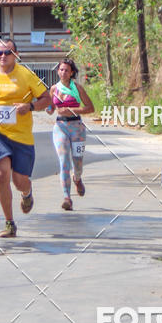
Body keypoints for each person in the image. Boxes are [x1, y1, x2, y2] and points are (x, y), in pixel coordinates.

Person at [0, 39, 51, 237]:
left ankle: (27, 193)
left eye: (7, 52)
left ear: (16, 54)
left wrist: (30, 107)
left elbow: (47, 98)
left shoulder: (26, 75)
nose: (2, 56)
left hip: (22, 137)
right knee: (2, 174)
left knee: (20, 181)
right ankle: (9, 223)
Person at [48, 58, 94, 211]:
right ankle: (67, 197)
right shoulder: (54, 89)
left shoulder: (77, 88)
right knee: (64, 162)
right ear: (58, 71)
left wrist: (72, 110)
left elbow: (90, 108)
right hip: (60, 126)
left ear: (72, 72)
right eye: (61, 69)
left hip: (77, 128)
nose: (63, 72)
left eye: (66, 70)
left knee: (78, 162)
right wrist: (47, 107)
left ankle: (78, 178)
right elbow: (50, 108)